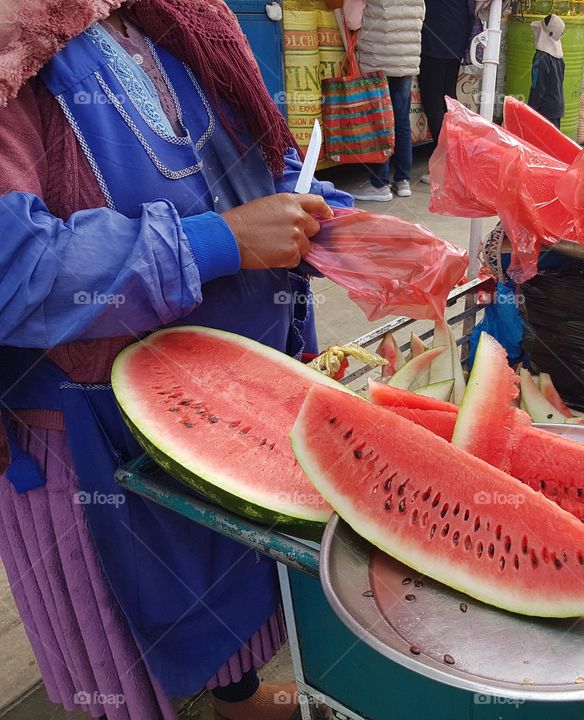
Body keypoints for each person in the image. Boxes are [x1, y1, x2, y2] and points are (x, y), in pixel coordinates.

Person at [0, 1, 353, 718]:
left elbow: (257, 160)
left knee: (230, 586)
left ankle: (237, 696)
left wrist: (329, 219)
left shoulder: (182, 15)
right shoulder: (14, 40)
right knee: (121, 659)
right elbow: (17, 272)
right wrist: (219, 242)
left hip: (229, 386)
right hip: (85, 427)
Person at [351, 0, 426, 202]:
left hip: (378, 58)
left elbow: (351, 20)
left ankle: (379, 183)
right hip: (405, 58)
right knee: (401, 120)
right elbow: (422, 15)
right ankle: (402, 181)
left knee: (380, 120)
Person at [419, 0, 473, 184]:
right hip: (456, 34)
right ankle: (456, 159)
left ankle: (444, 163)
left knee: (434, 102)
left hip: (436, 36)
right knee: (448, 99)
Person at [529, 14, 567, 128]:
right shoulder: (560, 59)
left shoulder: (540, 58)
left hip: (545, 110)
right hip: (557, 107)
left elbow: (538, 87)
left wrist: (530, 110)